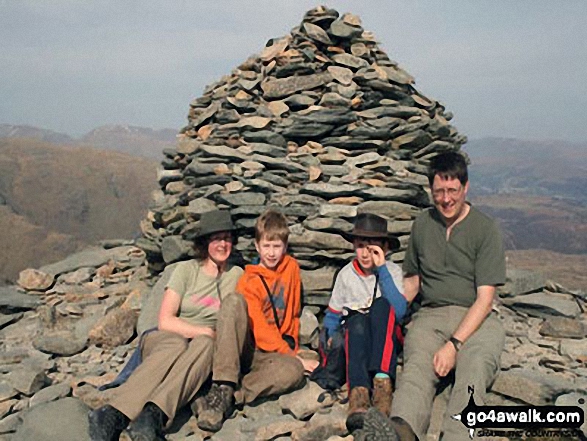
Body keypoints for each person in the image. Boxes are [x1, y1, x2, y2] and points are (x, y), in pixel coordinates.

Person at [88, 210, 243, 441]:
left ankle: (152, 416)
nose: (223, 244)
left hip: (202, 347)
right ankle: (113, 414)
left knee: (206, 346)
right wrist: (204, 331)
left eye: (227, 238)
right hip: (169, 336)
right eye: (216, 238)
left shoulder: (237, 275)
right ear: (205, 242)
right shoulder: (186, 270)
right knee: (178, 345)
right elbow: (166, 320)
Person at [389, 151, 506, 441]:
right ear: (431, 190)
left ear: (466, 187)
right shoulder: (423, 224)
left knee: (475, 367)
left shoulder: (485, 229)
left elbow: (485, 299)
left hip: (477, 317)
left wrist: (454, 345)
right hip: (432, 314)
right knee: (417, 362)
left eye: (452, 190)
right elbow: (413, 282)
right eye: (439, 191)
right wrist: (384, 312)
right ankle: (400, 430)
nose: (445, 199)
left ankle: (457, 435)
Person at [195, 209, 319, 432]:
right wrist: (291, 354)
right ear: (257, 246)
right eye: (266, 246)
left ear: (285, 246)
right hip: (250, 349)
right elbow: (260, 330)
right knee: (233, 301)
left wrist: (294, 354)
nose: (271, 253)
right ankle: (222, 383)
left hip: (273, 354)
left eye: (277, 246)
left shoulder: (291, 268)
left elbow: (292, 312)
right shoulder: (248, 281)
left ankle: (230, 397)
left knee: (293, 372)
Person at [322, 213, 407, 431]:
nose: (365, 253)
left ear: (384, 249)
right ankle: (358, 394)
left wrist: (382, 270)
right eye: (360, 246)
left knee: (381, 307)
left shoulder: (393, 272)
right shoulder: (346, 275)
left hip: (384, 337)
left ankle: (381, 387)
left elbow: (398, 311)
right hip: (357, 336)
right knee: (356, 320)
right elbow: (333, 314)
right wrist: (330, 338)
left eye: (373, 247)